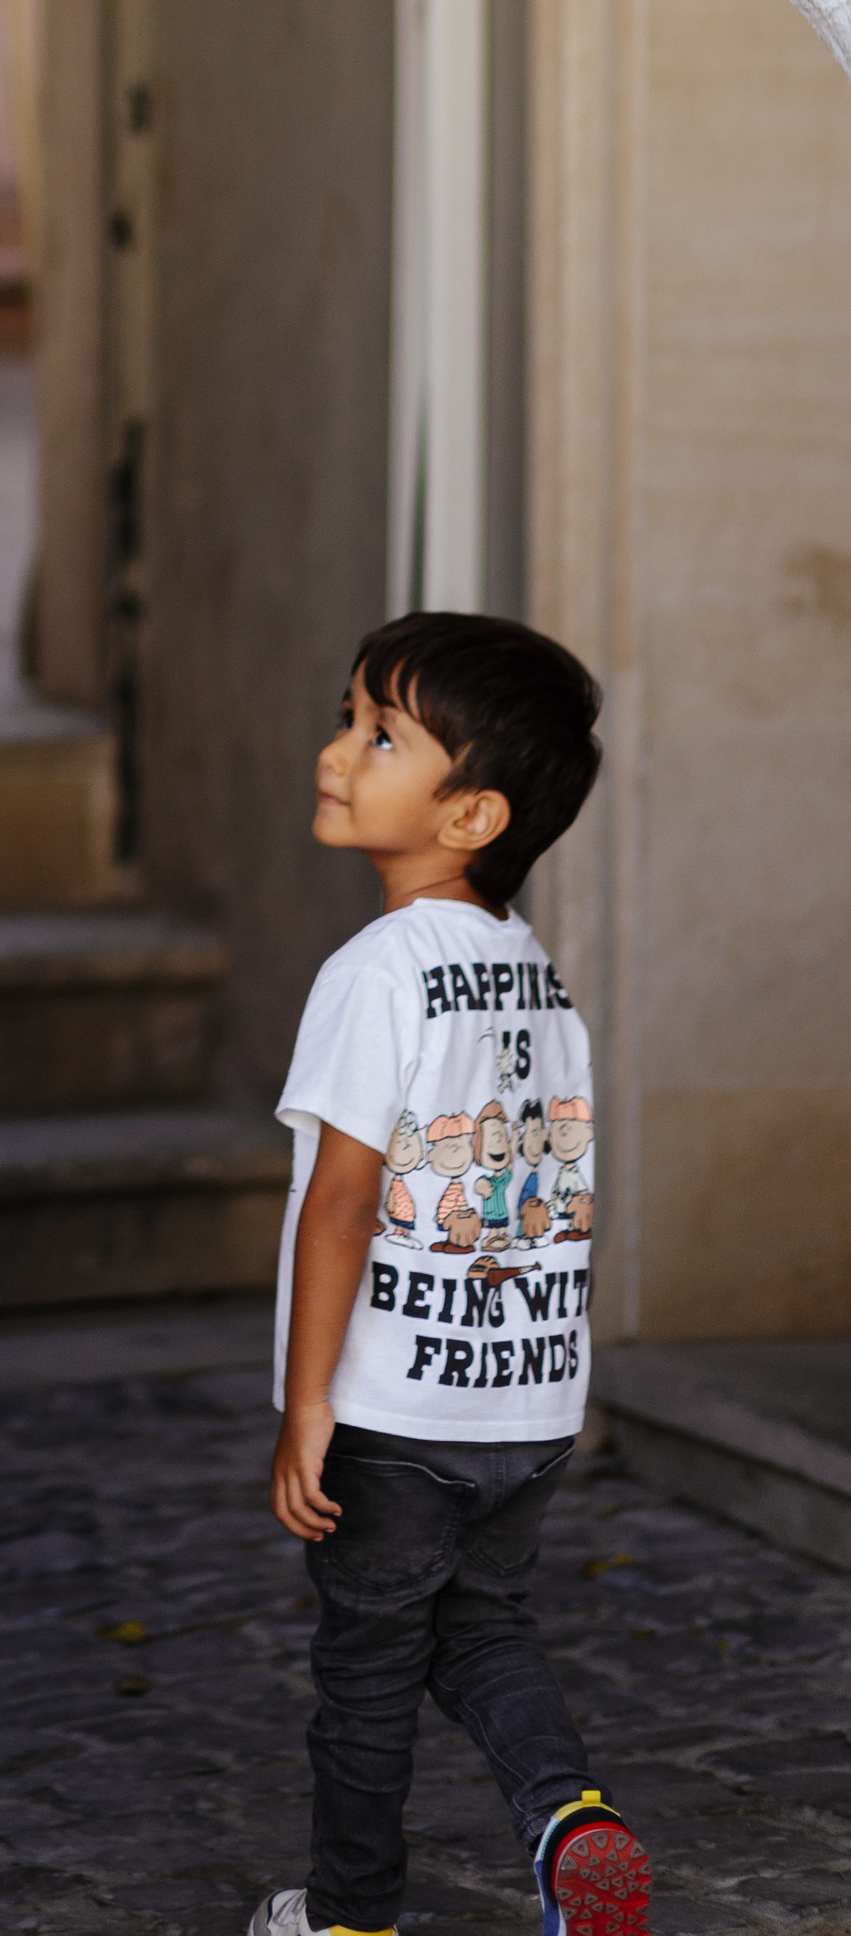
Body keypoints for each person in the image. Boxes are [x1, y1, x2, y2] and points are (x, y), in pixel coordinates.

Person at [250, 614, 649, 1936]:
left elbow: (341, 1207)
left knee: (366, 1672)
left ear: (472, 813)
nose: (338, 750)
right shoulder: (537, 983)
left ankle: (351, 1917)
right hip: (525, 1404)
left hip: (400, 1412)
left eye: (379, 735)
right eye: (349, 715)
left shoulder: (377, 976)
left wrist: (311, 1407)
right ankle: (569, 1819)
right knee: (484, 1634)